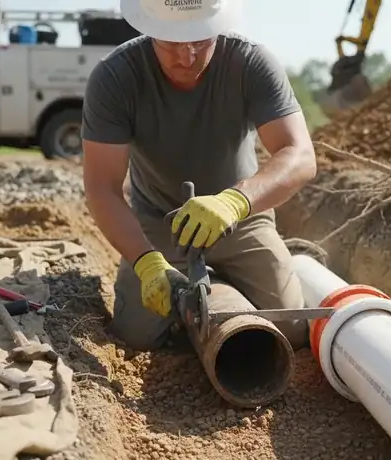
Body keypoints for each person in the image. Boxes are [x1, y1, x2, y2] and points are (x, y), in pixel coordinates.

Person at [80, 0, 317, 352]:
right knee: (136, 339)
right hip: (160, 227)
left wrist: (236, 201)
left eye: (200, 41)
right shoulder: (116, 77)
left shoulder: (250, 63)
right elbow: (102, 187)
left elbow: (300, 155)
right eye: (172, 42)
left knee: (293, 330)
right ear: (149, 29)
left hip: (241, 220)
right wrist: (145, 261)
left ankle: (227, 279)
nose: (187, 57)